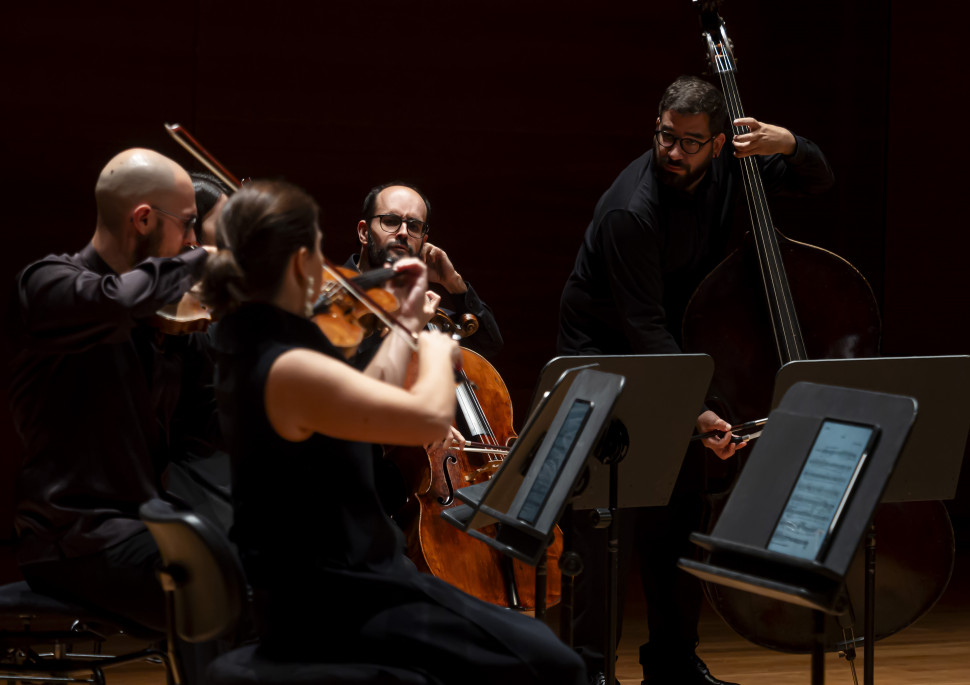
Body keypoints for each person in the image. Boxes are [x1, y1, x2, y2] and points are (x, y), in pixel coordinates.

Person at [202, 179, 585, 685]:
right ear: (297, 264)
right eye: (316, 252)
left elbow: (369, 392)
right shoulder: (286, 367)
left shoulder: (255, 344)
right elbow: (423, 418)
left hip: (338, 582)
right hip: (343, 593)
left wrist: (405, 324)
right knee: (554, 662)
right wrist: (434, 352)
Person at [557, 76, 834, 685]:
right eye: (665, 136)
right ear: (654, 126)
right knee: (607, 528)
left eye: (689, 141)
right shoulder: (632, 211)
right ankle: (588, 672)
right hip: (608, 361)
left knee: (678, 520)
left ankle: (674, 665)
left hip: (673, 356)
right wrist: (698, 411)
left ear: (716, 145)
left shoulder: (736, 170)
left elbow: (817, 178)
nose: (673, 152)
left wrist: (787, 142)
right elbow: (642, 326)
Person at [6, 148, 216, 683]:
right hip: (74, 536)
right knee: (219, 594)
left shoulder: (170, 320)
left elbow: (213, 415)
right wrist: (207, 258)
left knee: (271, 571)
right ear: (143, 220)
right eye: (188, 226)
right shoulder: (50, 284)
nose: (192, 241)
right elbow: (115, 300)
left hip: (147, 525)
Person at [348, 181, 503, 362]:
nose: (404, 232)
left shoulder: (426, 313)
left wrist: (454, 283)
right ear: (364, 233)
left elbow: (489, 345)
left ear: (423, 240)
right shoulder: (330, 299)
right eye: (391, 222)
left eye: (414, 226)